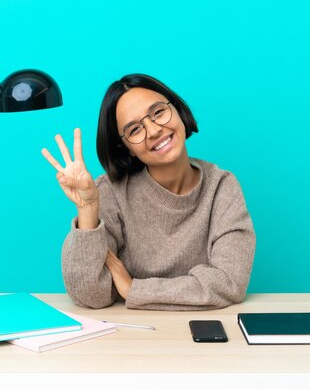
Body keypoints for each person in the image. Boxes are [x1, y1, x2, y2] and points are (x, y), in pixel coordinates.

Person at [41, 74, 255, 311]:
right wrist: (87, 210)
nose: (153, 131)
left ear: (177, 109)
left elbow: (229, 283)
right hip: (135, 337)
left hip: (207, 332)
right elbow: (90, 295)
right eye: (134, 130)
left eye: (158, 112)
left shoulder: (222, 187)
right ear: (127, 148)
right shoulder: (111, 192)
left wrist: (134, 289)